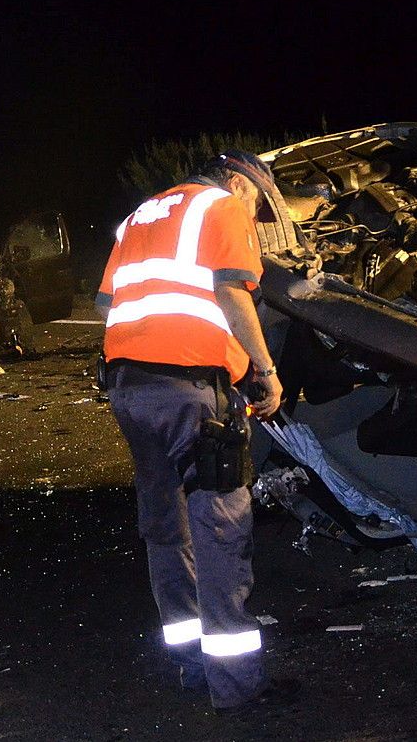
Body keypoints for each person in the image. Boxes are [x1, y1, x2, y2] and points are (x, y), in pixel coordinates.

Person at [96, 150, 296, 712]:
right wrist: (264, 371)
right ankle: (237, 687)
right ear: (238, 181)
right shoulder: (222, 204)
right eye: (256, 200)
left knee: (166, 526)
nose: (252, 214)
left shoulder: (141, 213)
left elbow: (108, 302)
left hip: (128, 388)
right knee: (220, 528)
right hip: (191, 391)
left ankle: (188, 666)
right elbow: (232, 292)